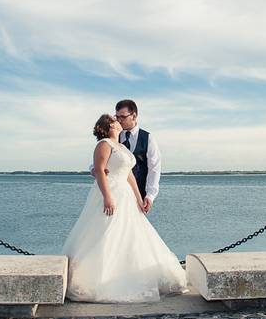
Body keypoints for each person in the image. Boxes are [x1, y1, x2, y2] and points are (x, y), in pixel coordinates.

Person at [62, 114, 187, 303]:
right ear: (110, 126)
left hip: (126, 195)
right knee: (106, 233)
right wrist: (107, 197)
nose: (118, 121)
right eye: (115, 119)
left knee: (131, 236)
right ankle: (98, 280)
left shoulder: (121, 147)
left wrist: (139, 198)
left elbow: (129, 175)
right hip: (110, 192)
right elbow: (99, 171)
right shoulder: (104, 144)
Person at [114, 99, 161, 213]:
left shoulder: (148, 138)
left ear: (134, 116)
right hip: (115, 195)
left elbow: (154, 168)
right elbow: (100, 160)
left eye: (123, 117)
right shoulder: (114, 136)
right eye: (117, 117)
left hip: (138, 196)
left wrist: (150, 196)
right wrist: (94, 170)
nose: (119, 120)